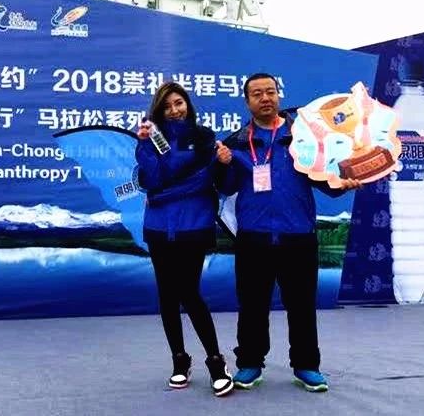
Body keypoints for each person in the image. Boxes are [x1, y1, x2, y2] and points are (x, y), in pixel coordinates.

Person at [214, 73, 362, 392]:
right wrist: (223, 165)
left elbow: (325, 179)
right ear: (247, 101)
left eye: (270, 91)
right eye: (257, 94)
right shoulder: (236, 142)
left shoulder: (302, 136)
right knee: (252, 305)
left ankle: (306, 365)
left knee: (302, 306)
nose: (265, 98)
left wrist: (343, 183)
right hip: (254, 237)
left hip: (298, 236)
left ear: (278, 95)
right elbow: (226, 188)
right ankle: (250, 363)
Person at [135, 82, 235, 397]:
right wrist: (144, 146)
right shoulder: (151, 139)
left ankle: (216, 361)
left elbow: (214, 183)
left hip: (194, 226)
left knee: (189, 293)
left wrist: (223, 162)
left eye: (178, 103)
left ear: (188, 105)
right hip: (158, 228)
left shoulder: (204, 138)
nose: (174, 110)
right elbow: (150, 180)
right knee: (167, 296)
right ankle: (179, 360)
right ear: (158, 111)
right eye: (167, 106)